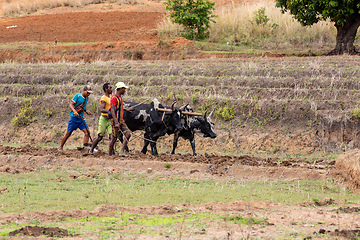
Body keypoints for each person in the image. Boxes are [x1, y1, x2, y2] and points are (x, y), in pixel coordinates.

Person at [58, 85, 93, 151]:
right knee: (68, 134)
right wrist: (74, 111)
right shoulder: (77, 96)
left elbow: (82, 106)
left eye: (89, 93)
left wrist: (86, 111)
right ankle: (61, 147)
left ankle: (85, 148)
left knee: (87, 132)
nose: (88, 94)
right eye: (87, 92)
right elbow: (71, 104)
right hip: (74, 118)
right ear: (84, 91)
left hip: (81, 119)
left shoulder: (87, 98)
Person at [109, 82, 133, 156]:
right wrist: (116, 122)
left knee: (128, 134)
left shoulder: (119, 98)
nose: (125, 90)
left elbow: (118, 108)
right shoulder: (114, 98)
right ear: (120, 89)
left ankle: (122, 151)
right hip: (116, 121)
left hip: (121, 121)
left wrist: (126, 109)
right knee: (114, 138)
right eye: (124, 89)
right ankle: (109, 154)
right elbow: (112, 110)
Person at [89, 83, 113, 153]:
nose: (111, 89)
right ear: (106, 89)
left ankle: (110, 152)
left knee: (112, 136)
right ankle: (91, 149)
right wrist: (109, 111)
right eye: (110, 88)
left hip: (109, 120)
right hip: (103, 119)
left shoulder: (111, 98)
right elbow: (101, 109)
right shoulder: (104, 98)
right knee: (100, 137)